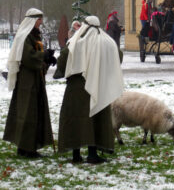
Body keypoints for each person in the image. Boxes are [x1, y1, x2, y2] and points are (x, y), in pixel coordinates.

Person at [54, 16, 124, 164]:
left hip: (76, 88)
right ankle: (93, 154)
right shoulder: (106, 42)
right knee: (95, 119)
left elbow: (62, 61)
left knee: (76, 120)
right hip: (97, 86)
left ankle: (76, 154)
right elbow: (118, 57)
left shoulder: (75, 42)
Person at [3, 8, 54, 158]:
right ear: (32, 20)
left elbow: (36, 55)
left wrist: (47, 59)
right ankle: (26, 148)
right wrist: (43, 55)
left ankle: (27, 146)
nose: (41, 22)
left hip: (34, 79)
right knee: (27, 112)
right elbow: (28, 57)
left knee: (33, 111)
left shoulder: (33, 35)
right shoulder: (24, 36)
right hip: (27, 80)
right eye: (39, 20)